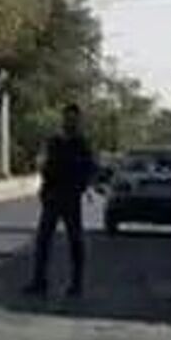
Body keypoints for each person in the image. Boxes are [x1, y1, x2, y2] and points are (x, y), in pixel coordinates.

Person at [26, 104, 97, 300]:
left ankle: (76, 284)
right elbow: (46, 165)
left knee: (75, 241)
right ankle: (39, 281)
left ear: (78, 121)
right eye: (67, 118)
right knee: (43, 240)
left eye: (73, 119)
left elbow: (90, 168)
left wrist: (82, 186)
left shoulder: (81, 144)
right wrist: (44, 188)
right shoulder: (55, 142)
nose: (69, 122)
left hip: (71, 197)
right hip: (52, 196)